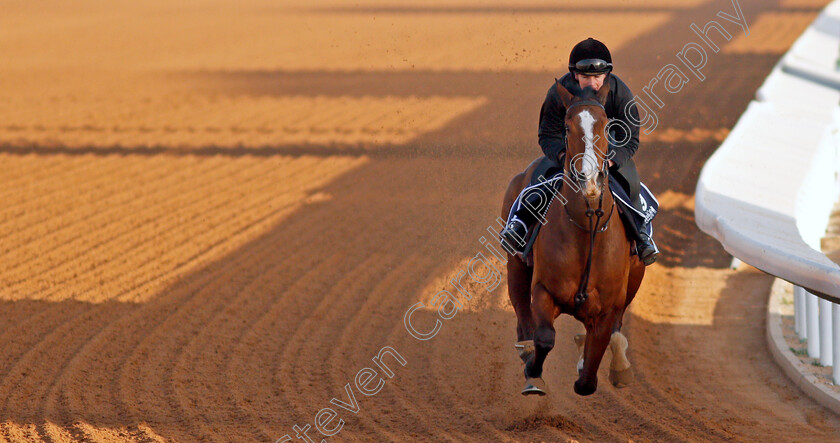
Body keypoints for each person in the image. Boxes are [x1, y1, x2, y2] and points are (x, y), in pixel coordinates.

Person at [500, 37, 659, 265]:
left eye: (597, 77)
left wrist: (611, 162)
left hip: (609, 153)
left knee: (631, 182)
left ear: (607, 75)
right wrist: (563, 157)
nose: (593, 83)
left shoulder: (620, 93)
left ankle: (642, 236)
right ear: (575, 75)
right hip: (570, 153)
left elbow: (631, 138)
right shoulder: (559, 93)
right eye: (586, 77)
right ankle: (520, 222)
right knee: (539, 175)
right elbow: (547, 135)